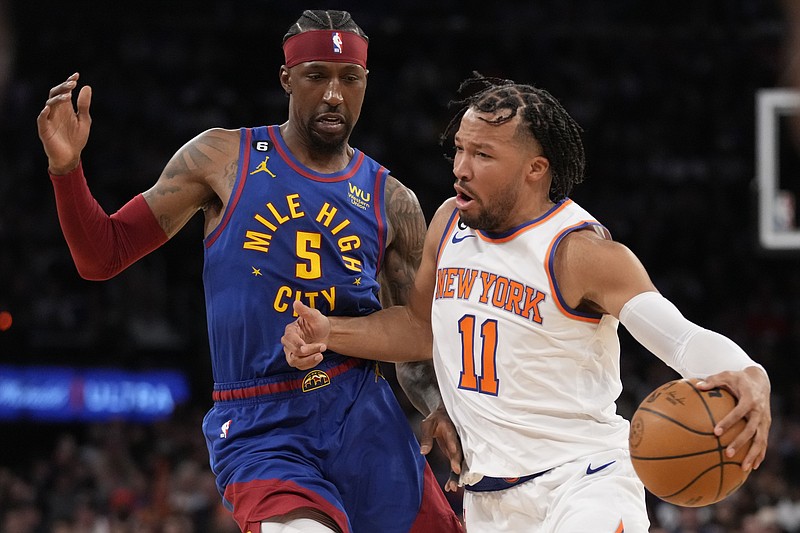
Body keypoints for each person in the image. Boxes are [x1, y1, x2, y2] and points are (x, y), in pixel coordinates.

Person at [282, 74, 774, 532]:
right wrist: (330, 333)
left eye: (483, 155)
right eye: (459, 150)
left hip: (583, 486)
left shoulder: (579, 253)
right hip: (487, 502)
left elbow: (680, 336)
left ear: (536, 169)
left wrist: (749, 372)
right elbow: (418, 328)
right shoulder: (449, 222)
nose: (460, 169)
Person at [36, 9, 464, 533]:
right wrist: (66, 169)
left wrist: (437, 405)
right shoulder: (221, 157)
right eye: (317, 76)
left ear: (365, 83)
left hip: (362, 412)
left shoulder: (391, 199)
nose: (334, 94)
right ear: (287, 78)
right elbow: (103, 255)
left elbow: (414, 339)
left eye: (349, 79)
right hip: (265, 423)